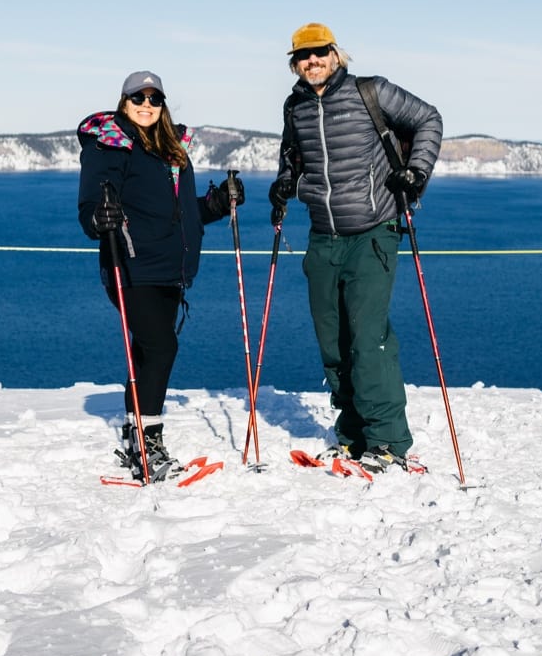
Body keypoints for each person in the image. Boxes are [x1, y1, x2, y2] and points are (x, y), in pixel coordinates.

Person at [269, 24, 443, 473]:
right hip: (322, 236)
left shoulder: (372, 92)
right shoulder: (296, 106)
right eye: (303, 56)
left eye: (320, 53)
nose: (313, 62)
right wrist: (286, 179)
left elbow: (428, 119)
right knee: (334, 342)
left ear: (336, 54)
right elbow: (294, 152)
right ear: (295, 63)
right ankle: (352, 435)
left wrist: (416, 173)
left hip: (371, 233)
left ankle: (387, 440)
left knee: (369, 339)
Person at [78, 70, 243, 480]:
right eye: (138, 98)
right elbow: (89, 208)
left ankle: (136, 432)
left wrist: (218, 203)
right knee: (161, 346)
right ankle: (149, 444)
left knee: (149, 351)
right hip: (131, 266)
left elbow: (184, 212)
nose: (146, 105)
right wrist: (100, 218)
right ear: (124, 102)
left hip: (171, 268)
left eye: (154, 99)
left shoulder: (172, 149)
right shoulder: (109, 147)